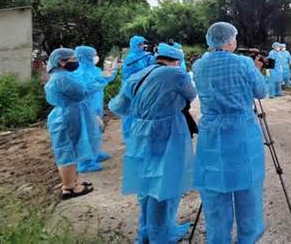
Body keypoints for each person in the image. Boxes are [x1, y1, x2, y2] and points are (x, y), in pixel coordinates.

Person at [108, 43, 196, 244]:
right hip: (169, 133)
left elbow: (119, 106)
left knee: (146, 182)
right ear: (177, 60)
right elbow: (191, 95)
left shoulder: (136, 76)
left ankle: (146, 232)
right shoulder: (177, 75)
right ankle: (162, 235)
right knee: (165, 183)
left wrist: (144, 114)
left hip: (139, 133)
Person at [193, 22, 267, 244]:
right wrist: (257, 69)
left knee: (215, 189)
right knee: (248, 186)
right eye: (234, 38)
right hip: (241, 132)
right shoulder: (244, 63)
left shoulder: (198, 65)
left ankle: (218, 239)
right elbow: (261, 92)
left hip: (211, 134)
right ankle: (248, 236)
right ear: (229, 41)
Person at [45, 48, 105, 200]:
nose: (75, 61)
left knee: (68, 150)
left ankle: (71, 183)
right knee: (68, 151)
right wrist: (97, 83)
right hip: (67, 117)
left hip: (64, 114)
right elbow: (81, 92)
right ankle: (69, 188)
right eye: (72, 58)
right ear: (61, 61)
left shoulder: (58, 76)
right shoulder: (63, 78)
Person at [74, 46, 116, 172]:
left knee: (96, 130)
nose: (96, 57)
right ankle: (85, 162)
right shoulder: (78, 72)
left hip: (96, 105)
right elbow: (86, 89)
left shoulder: (94, 69)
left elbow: (105, 78)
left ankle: (95, 153)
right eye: (94, 54)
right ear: (86, 56)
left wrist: (112, 70)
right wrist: (101, 80)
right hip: (85, 107)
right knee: (87, 132)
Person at [120, 35, 155, 140]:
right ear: (134, 45)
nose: (143, 46)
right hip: (131, 88)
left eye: (143, 44)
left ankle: (139, 135)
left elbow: (151, 67)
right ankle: (129, 136)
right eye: (140, 44)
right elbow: (127, 75)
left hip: (143, 87)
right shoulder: (131, 57)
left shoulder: (146, 56)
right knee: (130, 112)